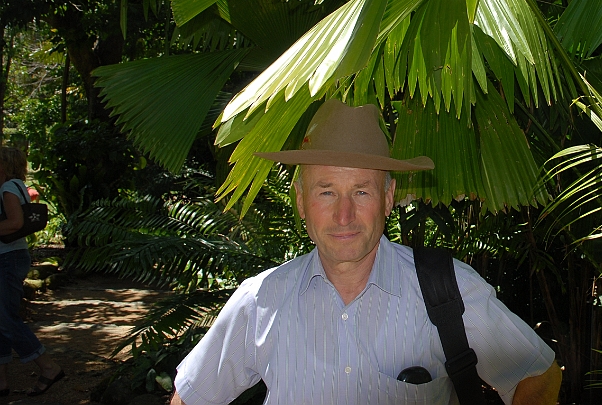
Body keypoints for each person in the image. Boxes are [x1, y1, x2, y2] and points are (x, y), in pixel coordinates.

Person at [172, 101, 561, 405]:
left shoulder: (448, 291)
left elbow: (536, 373)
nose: (344, 215)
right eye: (326, 191)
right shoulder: (260, 303)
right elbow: (191, 397)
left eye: (361, 191)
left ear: (388, 198)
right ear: (301, 202)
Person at [0, 146, 64, 397]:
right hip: (13, 257)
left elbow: (15, 222)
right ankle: (2, 381)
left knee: (6, 319)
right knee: (2, 318)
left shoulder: (7, 189)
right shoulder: (16, 186)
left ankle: (48, 367)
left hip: (7, 260)